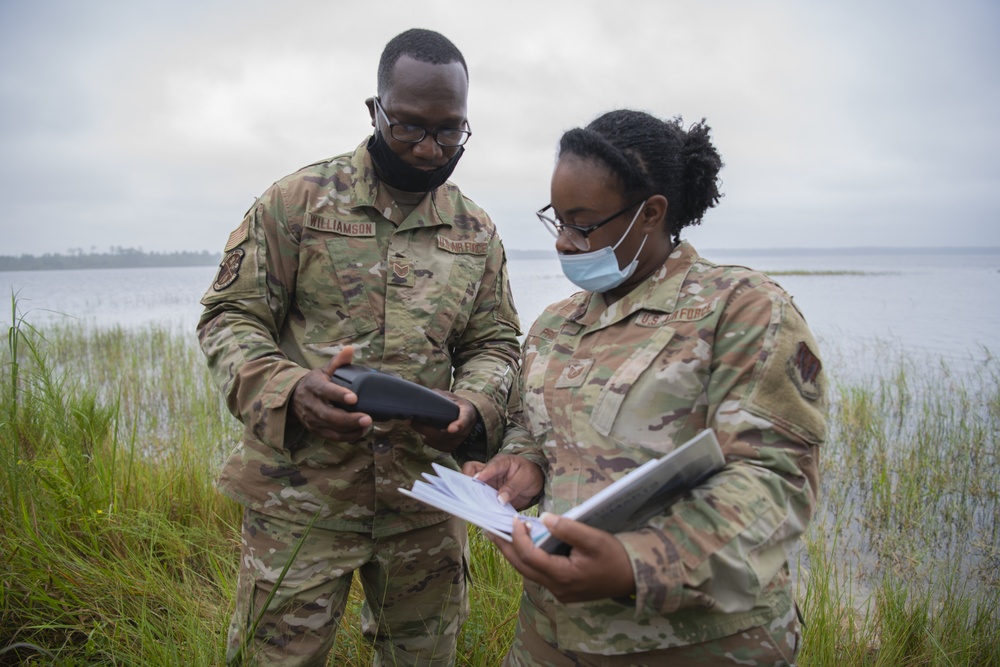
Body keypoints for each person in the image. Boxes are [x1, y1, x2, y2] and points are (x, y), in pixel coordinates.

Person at [197, 28, 521, 666]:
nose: (429, 150)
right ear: (374, 111)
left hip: (425, 502)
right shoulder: (297, 204)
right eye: (408, 128)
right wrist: (291, 391)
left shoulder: (475, 229)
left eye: (449, 132)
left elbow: (496, 341)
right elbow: (229, 318)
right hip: (301, 499)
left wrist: (474, 405)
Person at [466, 110, 826, 666]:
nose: (563, 243)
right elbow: (534, 430)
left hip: (694, 644)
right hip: (550, 637)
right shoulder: (554, 325)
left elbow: (775, 480)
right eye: (556, 220)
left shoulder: (744, 309)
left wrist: (638, 564)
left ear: (650, 213)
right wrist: (522, 463)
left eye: (582, 224)